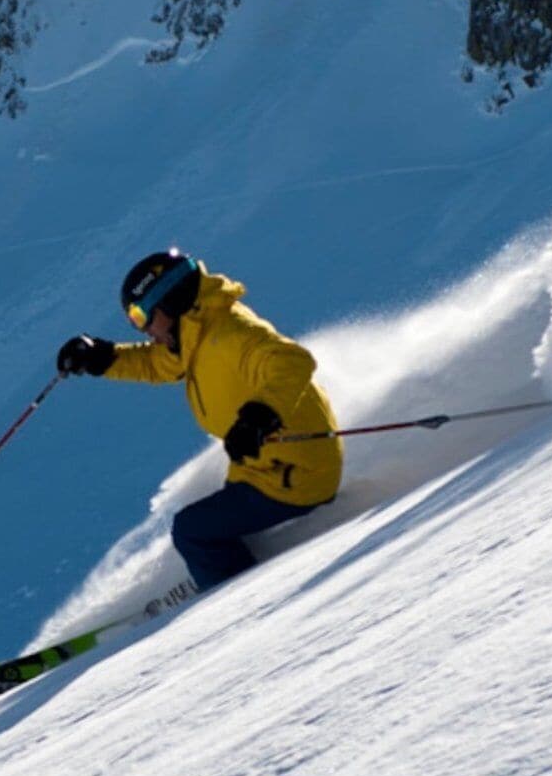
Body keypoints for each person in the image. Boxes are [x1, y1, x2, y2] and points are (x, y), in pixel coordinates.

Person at [56, 250, 340, 591]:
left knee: (191, 531)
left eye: (142, 315)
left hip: (295, 472)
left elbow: (292, 361)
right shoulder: (196, 334)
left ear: (170, 300)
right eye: (135, 321)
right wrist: (104, 358)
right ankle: (227, 568)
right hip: (266, 466)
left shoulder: (232, 333)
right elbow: (160, 364)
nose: (144, 329)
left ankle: (234, 600)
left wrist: (260, 416)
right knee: (215, 517)